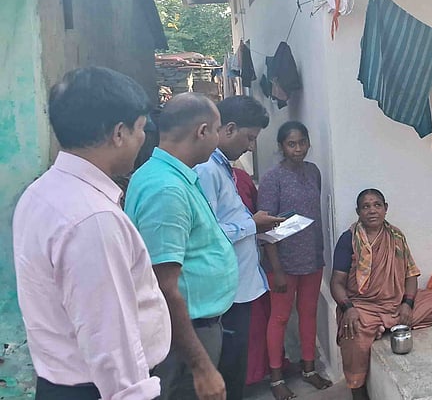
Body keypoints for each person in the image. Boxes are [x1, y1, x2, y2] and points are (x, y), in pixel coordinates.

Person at [13, 67, 171, 400]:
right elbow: (110, 340)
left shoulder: (41, 192)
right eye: (141, 129)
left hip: (63, 383)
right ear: (119, 133)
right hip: (98, 390)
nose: (143, 139)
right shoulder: (92, 218)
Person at [125, 93, 238, 400]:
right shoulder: (166, 189)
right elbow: (164, 286)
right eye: (216, 130)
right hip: (186, 336)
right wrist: (201, 366)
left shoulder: (174, 177)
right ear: (202, 131)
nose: (217, 139)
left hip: (197, 327)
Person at [194, 96, 285, 400]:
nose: (251, 147)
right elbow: (205, 233)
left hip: (239, 287)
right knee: (228, 373)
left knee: (235, 371)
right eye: (250, 138)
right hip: (226, 294)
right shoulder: (207, 171)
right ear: (229, 128)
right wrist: (252, 225)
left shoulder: (224, 168)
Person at [330, 189, 432, 400]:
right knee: (354, 335)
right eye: (366, 206)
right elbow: (337, 283)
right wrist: (348, 308)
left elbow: (411, 275)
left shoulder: (396, 236)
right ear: (358, 211)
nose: (372, 211)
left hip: (395, 302)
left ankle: (383, 325)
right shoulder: (348, 239)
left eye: (377, 205)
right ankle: (358, 391)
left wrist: (407, 303)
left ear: (385, 208)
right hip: (363, 306)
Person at [257, 122, 333, 400]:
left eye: (302, 142)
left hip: (312, 257)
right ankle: (276, 379)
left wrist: (319, 253)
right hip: (283, 263)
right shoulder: (272, 179)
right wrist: (276, 268)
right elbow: (265, 226)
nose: (298, 148)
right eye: (291, 144)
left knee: (309, 313)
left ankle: (309, 368)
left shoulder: (313, 172)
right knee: (279, 318)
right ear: (281, 147)